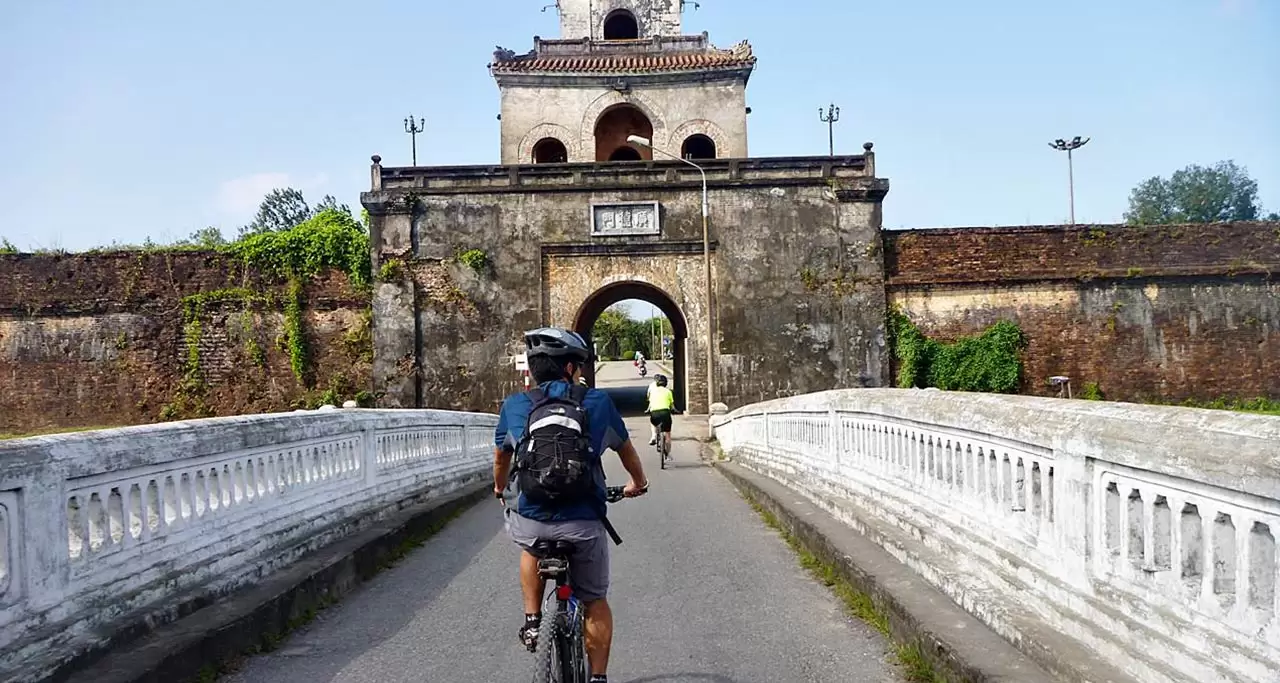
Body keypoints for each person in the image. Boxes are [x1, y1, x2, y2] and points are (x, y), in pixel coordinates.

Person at [494, 327, 649, 683]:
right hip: (583, 522)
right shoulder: (597, 403)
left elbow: (501, 458)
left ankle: (533, 622)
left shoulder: (515, 405)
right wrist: (637, 484)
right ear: (568, 368)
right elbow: (628, 454)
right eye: (577, 367)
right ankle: (597, 678)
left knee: (529, 542)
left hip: (533, 519)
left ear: (533, 369)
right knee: (594, 600)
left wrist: (500, 488)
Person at [646, 374, 676, 457]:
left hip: (654, 413)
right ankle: (668, 453)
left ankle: (654, 436)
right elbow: (672, 406)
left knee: (653, 423)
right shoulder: (668, 391)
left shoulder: (652, 391)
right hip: (665, 413)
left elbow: (650, 402)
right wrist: (674, 410)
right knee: (668, 434)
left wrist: (648, 410)